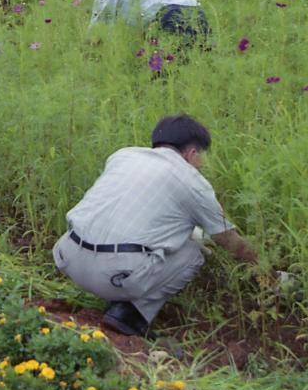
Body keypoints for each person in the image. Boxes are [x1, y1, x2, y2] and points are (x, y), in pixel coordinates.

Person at [53, 114, 259, 338]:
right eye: (202, 157)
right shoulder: (192, 181)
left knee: (180, 235)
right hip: (114, 277)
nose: (202, 164)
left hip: (68, 258)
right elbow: (229, 241)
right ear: (192, 154)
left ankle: (116, 292)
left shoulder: (122, 156)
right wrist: (266, 268)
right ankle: (130, 314)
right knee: (193, 253)